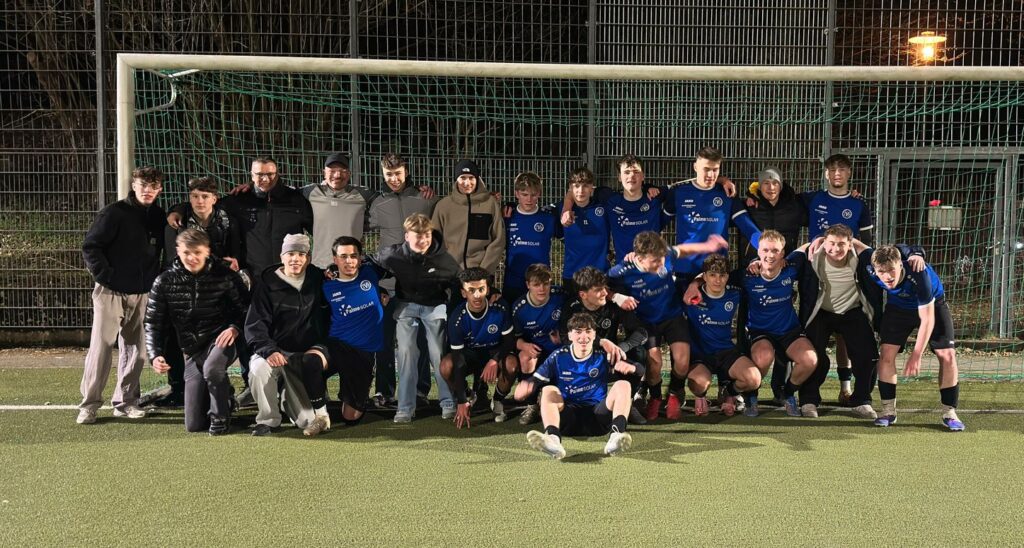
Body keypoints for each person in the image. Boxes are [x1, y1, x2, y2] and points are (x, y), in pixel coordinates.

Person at [686, 229, 817, 417]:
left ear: (783, 253)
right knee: (763, 356)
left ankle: (787, 394)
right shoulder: (747, 275)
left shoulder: (792, 266)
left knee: (810, 360)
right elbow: (716, 275)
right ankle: (751, 397)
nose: (770, 255)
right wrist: (694, 284)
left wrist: (819, 239)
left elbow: (806, 247)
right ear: (758, 252)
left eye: (775, 251)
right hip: (760, 331)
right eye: (765, 250)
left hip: (789, 330)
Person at [77, 166, 167, 425]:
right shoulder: (114, 213)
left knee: (138, 352)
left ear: (160, 189)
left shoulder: (159, 216)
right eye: (143, 185)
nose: (147, 190)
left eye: (153, 186)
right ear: (134, 186)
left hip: (143, 293)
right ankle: (89, 405)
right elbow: (91, 247)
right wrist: (106, 276)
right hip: (111, 291)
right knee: (101, 349)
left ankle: (126, 402)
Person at [608, 231, 728, 420]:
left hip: (672, 316)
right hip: (646, 322)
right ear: (640, 258)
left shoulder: (665, 255)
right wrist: (616, 297)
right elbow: (600, 286)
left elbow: (684, 250)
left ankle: (673, 395)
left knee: (682, 360)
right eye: (655, 261)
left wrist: (709, 246)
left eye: (662, 258)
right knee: (654, 363)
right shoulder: (622, 270)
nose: (661, 263)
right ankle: (655, 398)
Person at [145, 229, 249, 434]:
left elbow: (247, 310)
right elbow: (153, 323)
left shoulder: (226, 276)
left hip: (222, 339)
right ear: (178, 251)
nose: (192, 258)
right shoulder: (164, 281)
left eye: (197, 253)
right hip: (192, 350)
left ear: (207, 251)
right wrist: (155, 355)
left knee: (213, 368)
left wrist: (235, 328)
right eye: (186, 253)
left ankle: (220, 419)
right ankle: (226, 396)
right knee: (194, 425)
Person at [158, 176, 243, 408]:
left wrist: (233, 264)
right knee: (174, 337)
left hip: (216, 291)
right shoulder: (177, 223)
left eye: (205, 196)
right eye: (195, 196)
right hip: (183, 290)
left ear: (215, 198)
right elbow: (174, 261)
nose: (200, 201)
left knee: (216, 338)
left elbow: (235, 256)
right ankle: (178, 387)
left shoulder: (228, 222)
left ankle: (226, 388)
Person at [787, 224, 885, 420]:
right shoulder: (811, 257)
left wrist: (916, 255)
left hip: (852, 311)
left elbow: (886, 255)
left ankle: (861, 400)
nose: (836, 248)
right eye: (831, 243)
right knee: (814, 357)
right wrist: (813, 242)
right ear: (824, 242)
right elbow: (784, 260)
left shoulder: (863, 259)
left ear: (850, 245)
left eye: (841, 244)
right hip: (820, 312)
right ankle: (809, 400)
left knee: (868, 355)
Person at [370, 213, 461, 423]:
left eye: (427, 235)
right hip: (406, 305)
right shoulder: (394, 255)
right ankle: (405, 408)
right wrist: (378, 290)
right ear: (407, 236)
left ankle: (448, 402)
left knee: (438, 353)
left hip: (435, 305)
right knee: (406, 352)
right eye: (418, 235)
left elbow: (459, 282)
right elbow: (370, 266)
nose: (423, 240)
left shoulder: (442, 258)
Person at [866, 244, 964, 431]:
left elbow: (927, 320)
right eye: (882, 272)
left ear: (900, 265)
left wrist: (916, 355)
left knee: (947, 355)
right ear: (875, 270)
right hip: (898, 308)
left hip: (933, 306)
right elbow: (857, 246)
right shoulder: (870, 268)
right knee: (886, 354)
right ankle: (888, 411)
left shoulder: (919, 274)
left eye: (892, 270)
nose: (887, 276)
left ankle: (949, 412)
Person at [366, 153, 438, 409]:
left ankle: (419, 391)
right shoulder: (377, 203)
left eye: (398, 173)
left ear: (406, 171)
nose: (394, 179)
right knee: (384, 341)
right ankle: (384, 392)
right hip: (387, 285)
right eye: (389, 174)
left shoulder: (425, 198)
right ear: (382, 174)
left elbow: (446, 219)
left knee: (419, 341)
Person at [802, 153, 875, 401]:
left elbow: (866, 242)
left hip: (847, 275)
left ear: (849, 173)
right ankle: (807, 394)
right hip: (817, 274)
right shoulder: (813, 198)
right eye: (832, 170)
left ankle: (846, 389)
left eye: (842, 170)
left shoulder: (858, 204)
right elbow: (782, 199)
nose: (837, 174)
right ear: (826, 173)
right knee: (814, 337)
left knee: (848, 337)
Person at [526, 312, 644, 459]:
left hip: (598, 418)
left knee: (623, 385)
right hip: (568, 419)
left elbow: (640, 371)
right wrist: (527, 386)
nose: (584, 337)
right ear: (570, 335)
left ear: (594, 335)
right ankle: (553, 440)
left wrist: (632, 368)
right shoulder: (558, 356)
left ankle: (616, 436)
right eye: (578, 332)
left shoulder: (604, 354)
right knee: (548, 390)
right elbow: (536, 379)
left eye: (588, 331)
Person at [303, 236, 388, 435]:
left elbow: (399, 260)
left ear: (360, 258)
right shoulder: (326, 286)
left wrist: (383, 292)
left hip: (362, 353)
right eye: (343, 256)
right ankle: (321, 417)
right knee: (310, 361)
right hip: (336, 344)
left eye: (353, 256)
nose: (349, 261)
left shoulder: (370, 273)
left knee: (350, 417)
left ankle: (359, 395)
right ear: (335, 259)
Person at [244, 233, 325, 436]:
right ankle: (268, 420)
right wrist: (268, 350)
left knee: (307, 421)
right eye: (290, 254)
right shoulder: (266, 284)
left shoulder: (316, 278)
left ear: (308, 258)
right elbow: (255, 325)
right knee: (258, 369)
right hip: (275, 351)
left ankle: (286, 398)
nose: (295, 259)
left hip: (301, 356)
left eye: (301, 254)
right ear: (282, 257)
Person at [741, 167, 807, 402]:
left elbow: (821, 209)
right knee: (755, 338)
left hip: (783, 272)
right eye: (766, 183)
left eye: (775, 183)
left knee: (784, 327)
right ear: (759, 187)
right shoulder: (749, 205)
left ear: (781, 184)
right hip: (754, 274)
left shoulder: (795, 204)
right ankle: (747, 389)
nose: (771, 187)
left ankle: (782, 389)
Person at [662, 146, 761, 291]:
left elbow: (748, 228)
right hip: (685, 269)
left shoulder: (727, 194)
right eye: (706, 169)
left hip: (716, 271)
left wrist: (767, 250)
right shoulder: (678, 192)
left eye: (715, 170)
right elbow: (658, 222)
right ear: (695, 167)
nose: (711, 174)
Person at [560, 267, 649, 425]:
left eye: (604, 288)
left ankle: (627, 403)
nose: (604, 293)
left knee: (639, 354)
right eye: (598, 290)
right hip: (583, 361)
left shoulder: (613, 305)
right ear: (583, 294)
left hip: (610, 360)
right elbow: (565, 338)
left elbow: (641, 332)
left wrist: (621, 348)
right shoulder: (572, 308)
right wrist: (601, 342)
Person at [683, 255, 762, 416]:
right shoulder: (690, 295)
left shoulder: (736, 294)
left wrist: (758, 262)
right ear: (704, 276)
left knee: (753, 379)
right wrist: (693, 283)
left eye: (722, 275)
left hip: (728, 353)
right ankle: (700, 396)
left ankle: (729, 392)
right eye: (712, 275)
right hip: (701, 355)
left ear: (728, 276)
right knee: (699, 383)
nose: (718, 280)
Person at [440, 268, 517, 427]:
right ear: (463, 293)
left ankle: (497, 401)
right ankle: (469, 395)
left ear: (487, 290)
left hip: (494, 354)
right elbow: (458, 359)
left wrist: (494, 360)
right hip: (470, 357)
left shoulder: (500, 308)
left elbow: (509, 341)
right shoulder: (457, 317)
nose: (477, 295)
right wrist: (461, 400)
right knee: (446, 366)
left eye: (481, 289)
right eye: (471, 290)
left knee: (511, 365)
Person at [301, 153, 376, 270]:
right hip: (320, 266)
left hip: (352, 265)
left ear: (349, 174)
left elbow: (387, 202)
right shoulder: (311, 192)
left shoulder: (363, 194)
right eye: (332, 171)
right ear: (324, 173)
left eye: (342, 171)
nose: (337, 175)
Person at [510, 264, 565, 424]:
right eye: (536, 285)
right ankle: (531, 405)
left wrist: (563, 335)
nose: (542, 289)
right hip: (537, 351)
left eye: (546, 284)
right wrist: (525, 346)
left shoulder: (560, 295)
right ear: (528, 285)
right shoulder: (519, 308)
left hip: (561, 350)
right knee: (525, 357)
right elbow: (513, 339)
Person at [431, 159, 505, 275]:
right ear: (456, 180)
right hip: (450, 273)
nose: (467, 183)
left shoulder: (490, 204)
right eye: (463, 178)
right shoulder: (443, 206)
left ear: (477, 179)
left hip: (481, 273)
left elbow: (498, 240)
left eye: (471, 178)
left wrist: (484, 271)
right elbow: (434, 240)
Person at [503, 171, 562, 305]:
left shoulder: (548, 218)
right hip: (513, 281)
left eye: (533, 195)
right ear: (516, 194)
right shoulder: (507, 216)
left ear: (539, 194)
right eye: (524, 194)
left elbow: (570, 241)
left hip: (540, 283)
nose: (529, 199)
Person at [559, 167, 611, 295]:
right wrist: (512, 206)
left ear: (592, 187)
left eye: (585, 186)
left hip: (600, 275)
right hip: (572, 276)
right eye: (576, 186)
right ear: (570, 188)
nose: (581, 191)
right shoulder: (560, 209)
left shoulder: (604, 206)